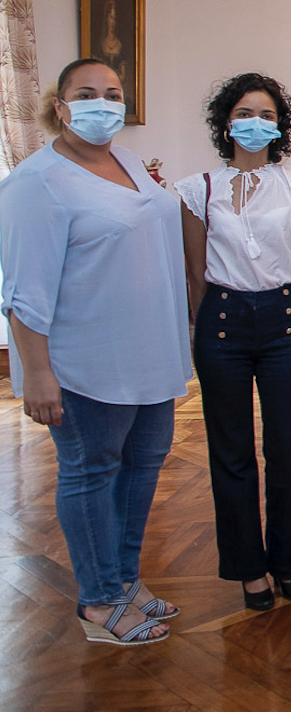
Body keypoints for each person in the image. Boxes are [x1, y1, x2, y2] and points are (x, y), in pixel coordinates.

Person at [0, 58, 187, 645]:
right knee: (90, 472)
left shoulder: (127, 160)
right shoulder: (36, 183)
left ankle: (124, 580)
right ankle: (99, 601)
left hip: (150, 355)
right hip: (86, 363)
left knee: (141, 470)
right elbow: (22, 291)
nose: (102, 103)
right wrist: (35, 372)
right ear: (59, 105)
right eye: (86, 93)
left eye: (112, 93)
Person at [175, 73, 291, 612]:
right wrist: (206, 323)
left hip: (281, 320)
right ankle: (248, 568)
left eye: (265, 114)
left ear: (278, 124)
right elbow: (195, 272)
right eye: (244, 112)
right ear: (226, 121)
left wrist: (274, 300)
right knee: (230, 450)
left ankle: (287, 562)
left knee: (286, 446)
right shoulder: (196, 189)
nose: (254, 123)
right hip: (221, 321)